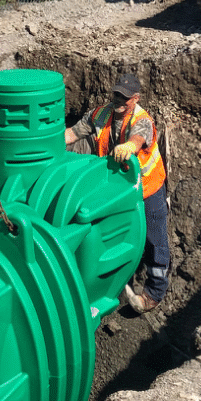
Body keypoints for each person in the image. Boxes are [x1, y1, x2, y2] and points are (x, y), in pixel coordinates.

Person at [65, 73, 170, 314]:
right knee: (119, 234)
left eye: (124, 98)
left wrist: (129, 147)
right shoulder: (102, 114)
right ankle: (119, 283)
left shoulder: (142, 119)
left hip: (148, 187)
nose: (119, 101)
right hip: (119, 187)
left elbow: (138, 138)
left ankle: (155, 292)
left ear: (135, 98)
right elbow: (74, 133)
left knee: (155, 239)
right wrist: (52, 143)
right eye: (116, 95)